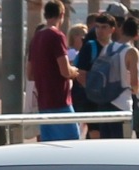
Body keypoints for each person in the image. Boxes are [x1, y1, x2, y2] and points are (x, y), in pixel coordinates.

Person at [30, 0, 81, 141]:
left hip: (43, 101)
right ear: (62, 15)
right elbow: (65, 70)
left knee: (49, 146)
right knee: (72, 142)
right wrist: (74, 71)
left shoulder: (36, 38)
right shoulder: (57, 36)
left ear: (45, 14)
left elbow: (30, 74)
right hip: (60, 100)